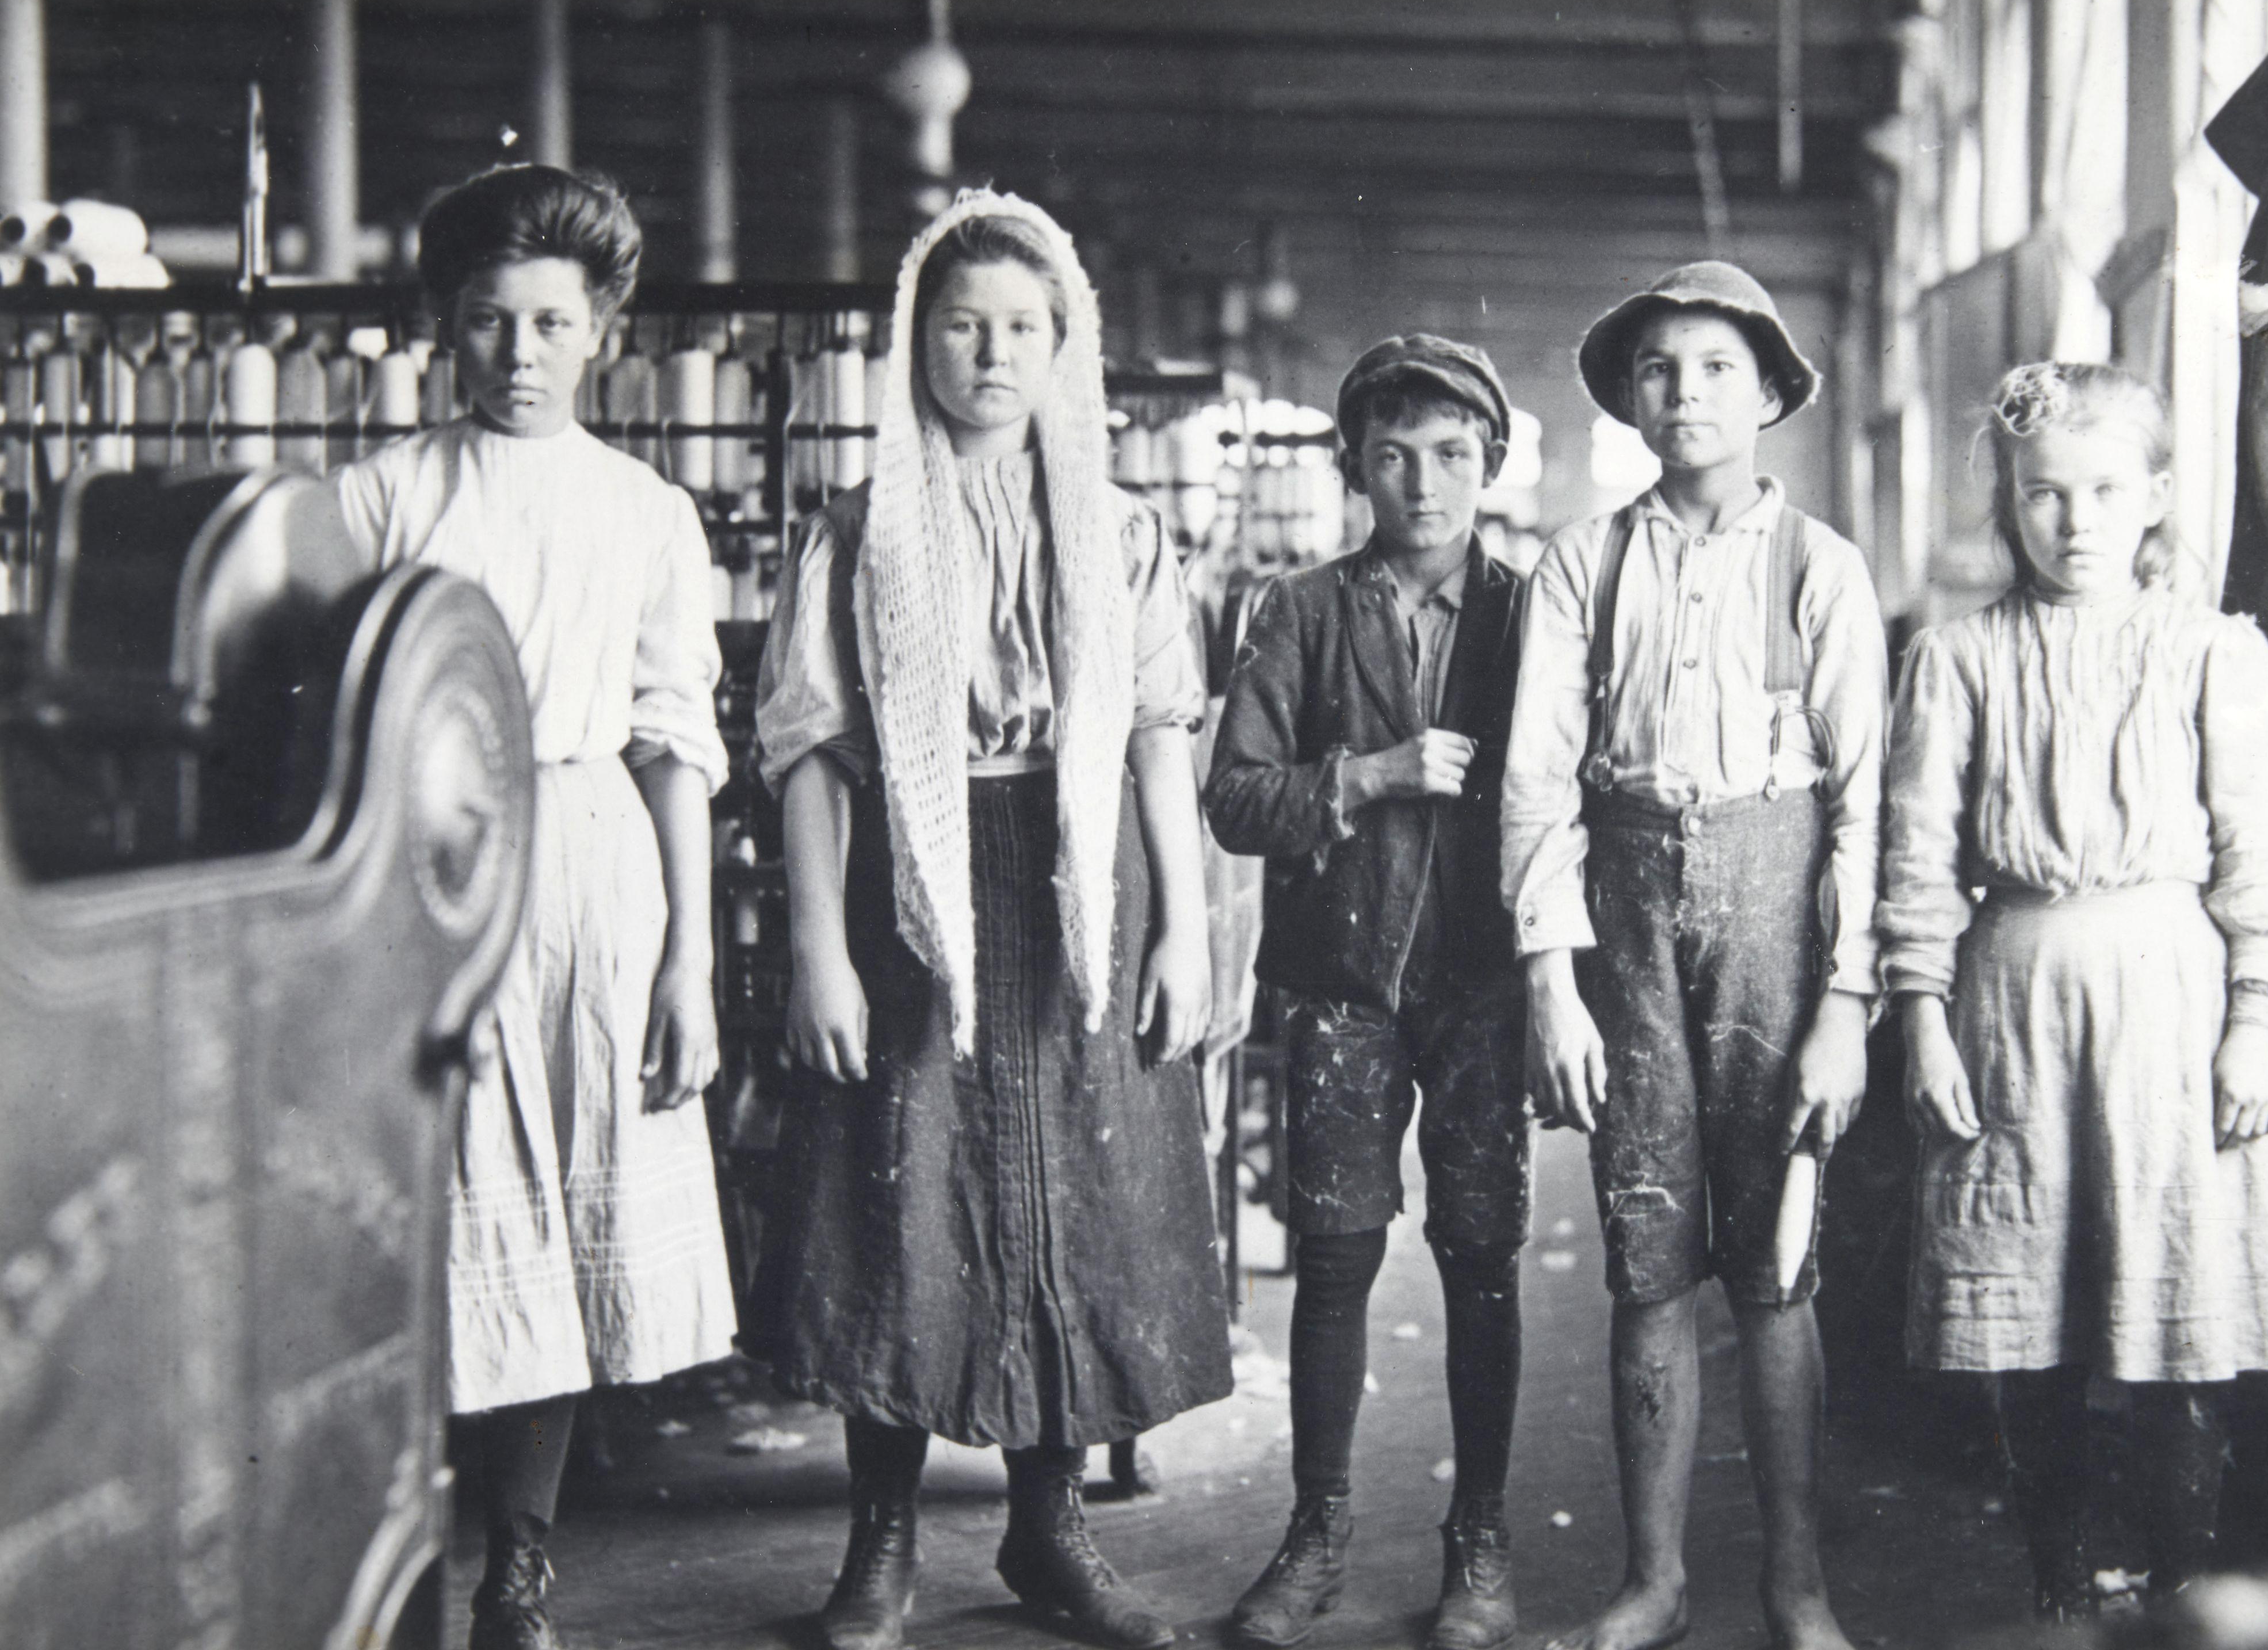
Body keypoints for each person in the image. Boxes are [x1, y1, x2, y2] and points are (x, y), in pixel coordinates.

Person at [743, 189, 1231, 1650]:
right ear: (918, 343)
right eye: (964, 326)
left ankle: (1051, 1528)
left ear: (1065, 346)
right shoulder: (856, 532)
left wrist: (1183, 928)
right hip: (914, 883)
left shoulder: (1121, 532)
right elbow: (812, 759)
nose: (994, 353)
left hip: (1079, 883)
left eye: (1024, 327)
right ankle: (881, 1540)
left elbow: (1158, 739)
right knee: (901, 1194)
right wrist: (821, 951)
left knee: (1075, 1195)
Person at [337, 165, 737, 1650]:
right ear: (444, 325)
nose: (519, 354)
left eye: (552, 322)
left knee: (563, 1197)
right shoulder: (380, 493)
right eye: (489, 321)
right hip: (418, 857)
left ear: (603, 331)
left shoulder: (646, 512)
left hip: (589, 864)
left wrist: (689, 962)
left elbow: (676, 743)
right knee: (431, 1195)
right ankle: (395, 1557)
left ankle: (519, 1564)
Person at [1879, 361, 2268, 1623]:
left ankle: (2179, 1591)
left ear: (2155, 498)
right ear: (2009, 505)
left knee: (2179, 1307)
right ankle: (2062, 1587)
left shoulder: (2213, 653)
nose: (2074, 521)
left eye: (2103, 490)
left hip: (2172, 1002)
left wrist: (2255, 1023)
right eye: (2043, 494)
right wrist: (1921, 1019)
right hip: (2011, 1003)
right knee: (2026, 1315)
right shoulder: (1955, 658)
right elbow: (1914, 856)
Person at [1503, 261, 1883, 1650]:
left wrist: (1847, 1001)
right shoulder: (1583, 564)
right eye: (1659, 368)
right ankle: (1653, 1580)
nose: (1686, 391)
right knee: (1647, 1252)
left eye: (1718, 366)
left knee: (1779, 1260)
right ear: (1629, 397)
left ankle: (1796, 1581)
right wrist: (1551, 980)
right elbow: (1537, 781)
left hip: (1781, 922)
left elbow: (1867, 804)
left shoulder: (1820, 567)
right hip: (1628, 918)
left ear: (1770, 393)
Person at [1207, 335, 1531, 1650]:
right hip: (1342, 980)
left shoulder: (1533, 612)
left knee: (1483, 1255)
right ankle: (1317, 1535)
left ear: (1491, 464)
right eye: (1393, 456)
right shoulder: (1299, 610)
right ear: (1352, 466)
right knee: (1337, 1256)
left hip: (1486, 980)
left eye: (1451, 455)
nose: (1424, 484)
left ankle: (1481, 1541)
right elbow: (1234, 798)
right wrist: (1368, 775)